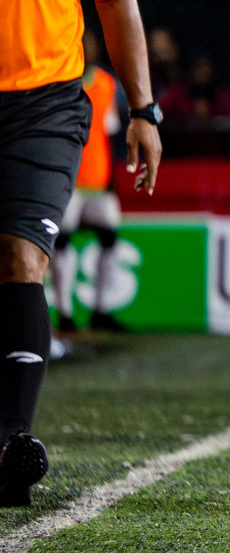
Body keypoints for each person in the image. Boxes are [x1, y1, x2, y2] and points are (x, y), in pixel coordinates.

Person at [0, 0, 161, 505]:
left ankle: (11, 443)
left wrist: (144, 108)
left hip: (47, 104)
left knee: (23, 258)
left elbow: (118, 5)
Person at [51, 31, 129, 336]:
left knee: (109, 237)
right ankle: (66, 314)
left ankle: (100, 309)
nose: (87, 48)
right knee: (63, 242)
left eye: (91, 43)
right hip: (67, 179)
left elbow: (110, 133)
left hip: (98, 180)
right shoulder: (59, 81)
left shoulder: (107, 85)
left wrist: (113, 179)